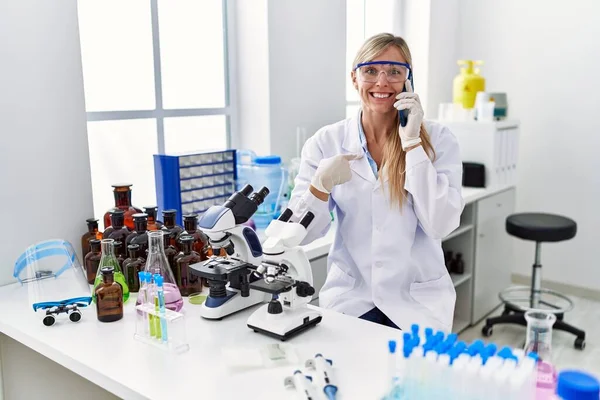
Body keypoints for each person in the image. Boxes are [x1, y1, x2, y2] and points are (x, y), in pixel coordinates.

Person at [288, 33, 465, 332]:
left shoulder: (439, 140)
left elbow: (441, 225)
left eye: (394, 72)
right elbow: (300, 236)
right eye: (371, 71)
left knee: (411, 379)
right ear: (354, 78)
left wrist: (412, 146)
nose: (382, 82)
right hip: (352, 301)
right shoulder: (325, 142)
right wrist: (319, 187)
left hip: (416, 303)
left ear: (408, 81)